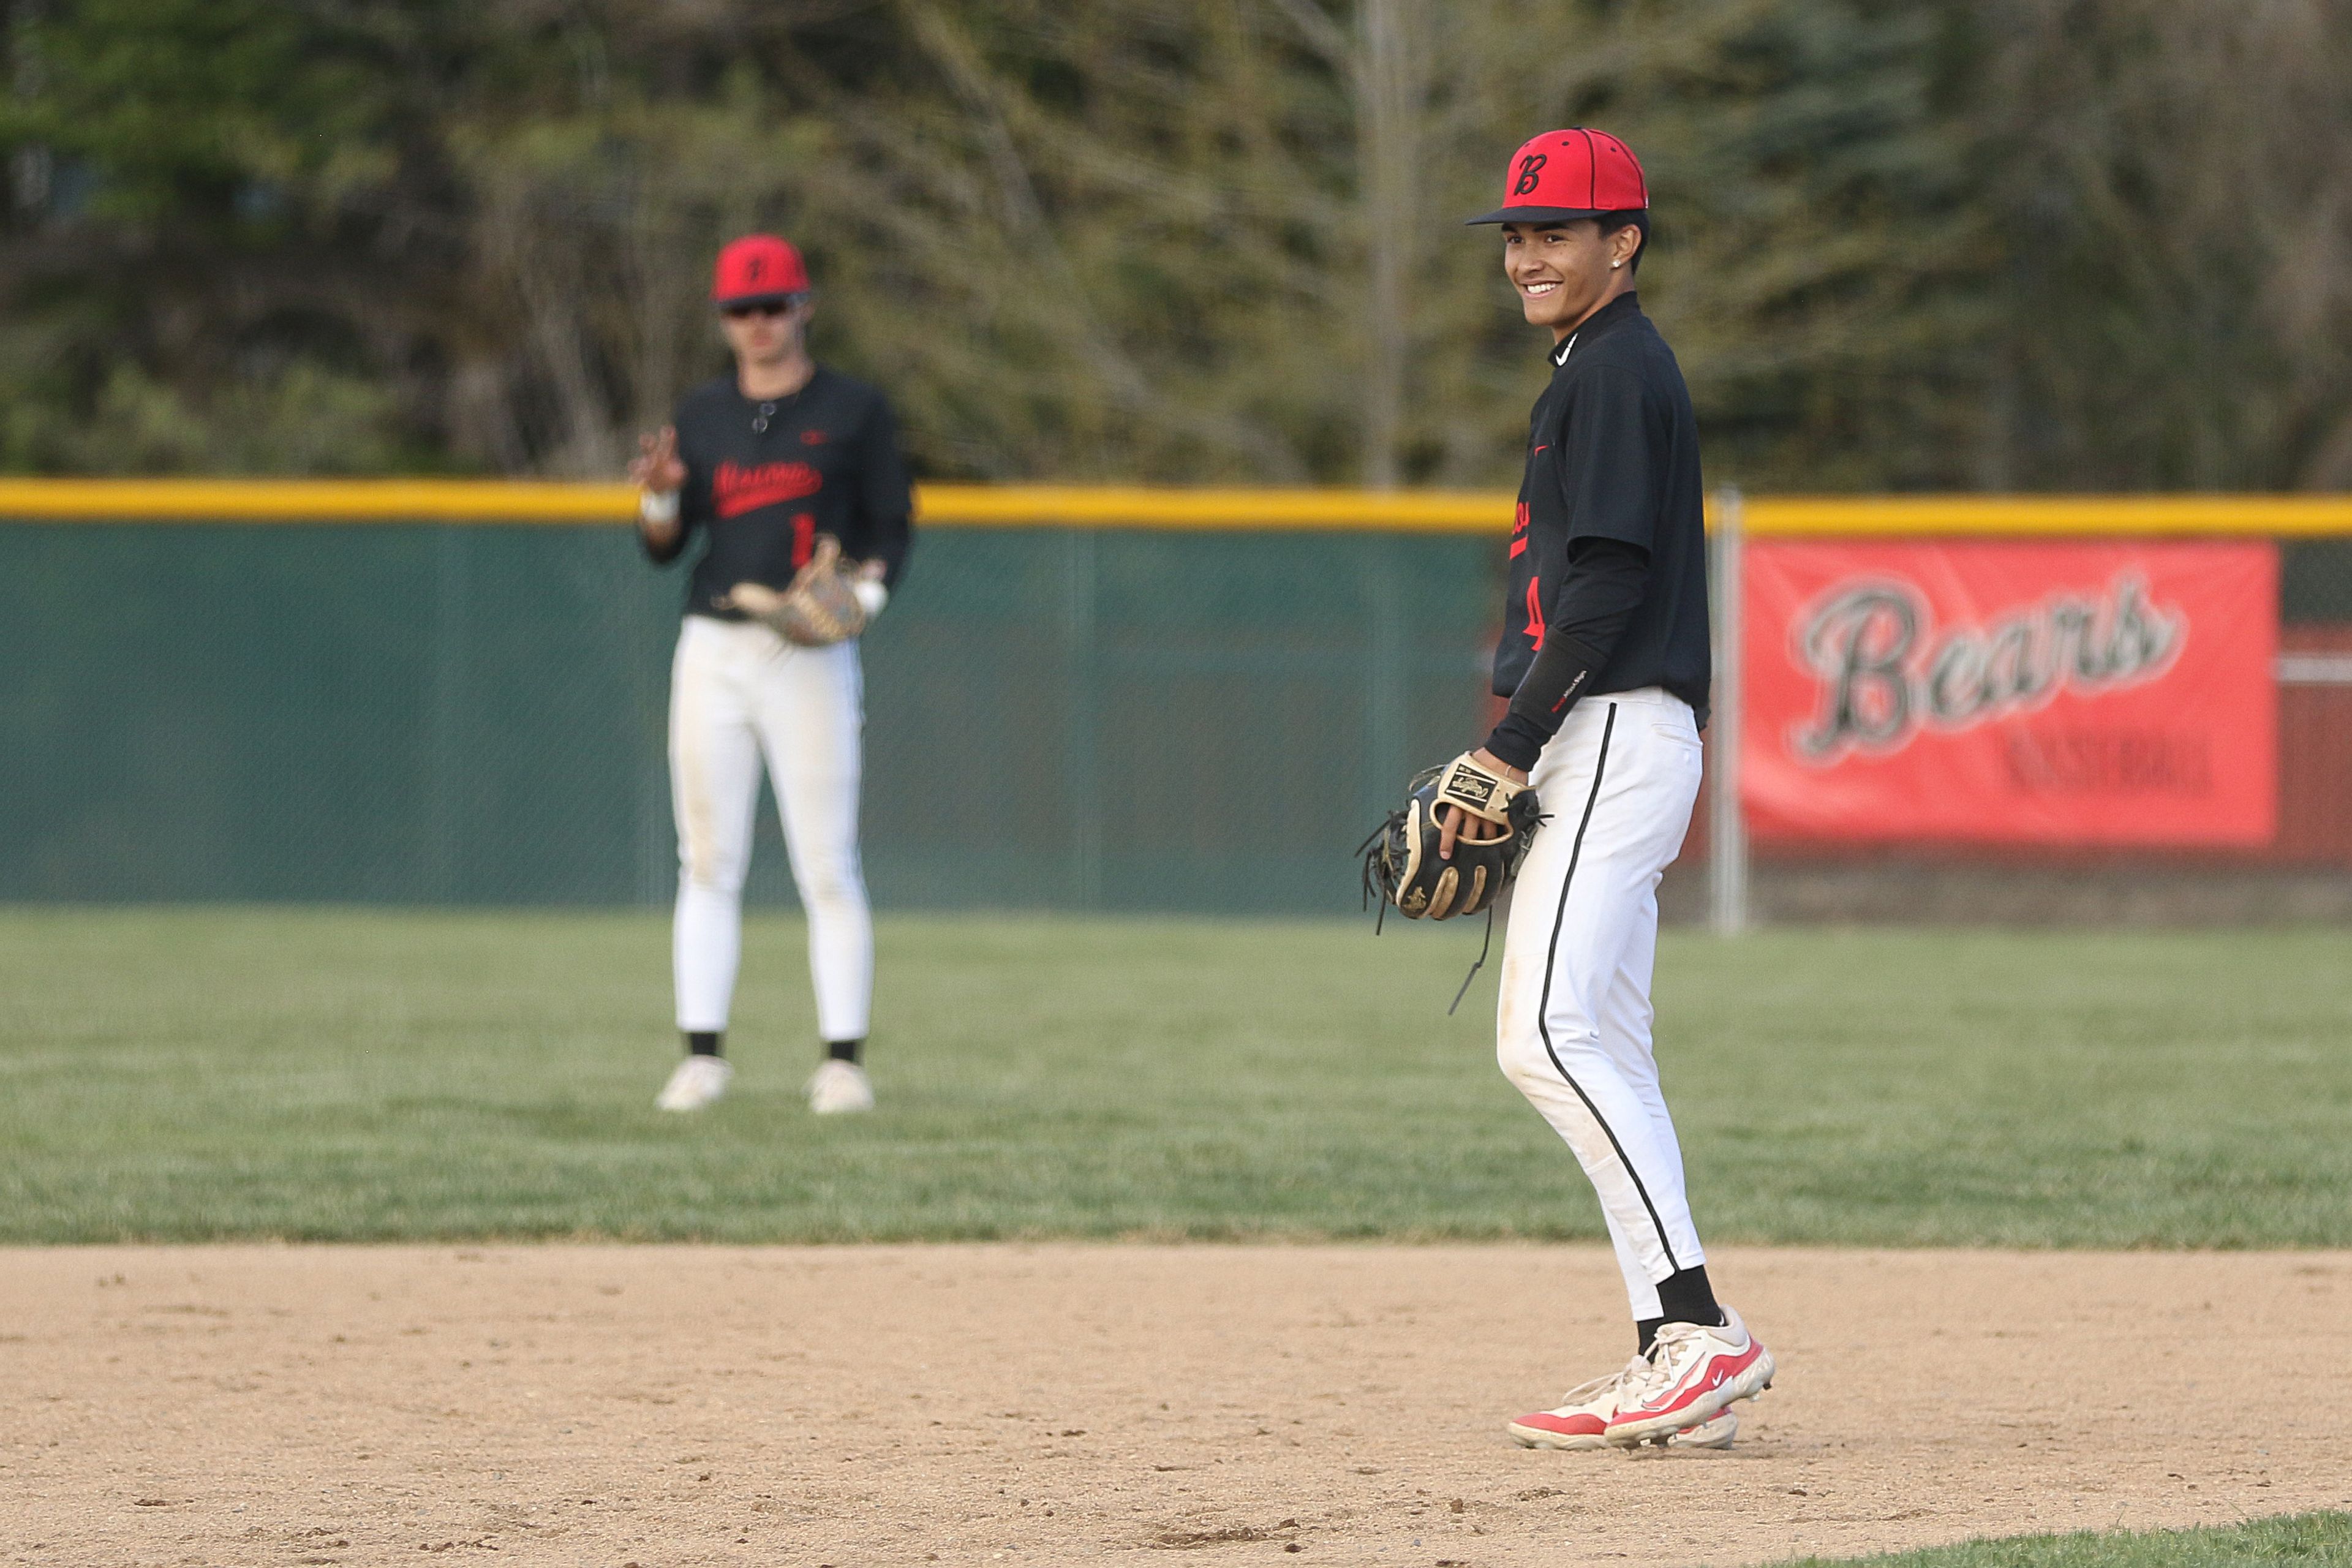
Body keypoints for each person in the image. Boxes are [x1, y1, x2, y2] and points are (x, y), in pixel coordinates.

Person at [1451, 130, 1774, 1449]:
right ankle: (1673, 1353)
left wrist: (1511, 743)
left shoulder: (1618, 369)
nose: (1528, 253)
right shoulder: (1592, 367)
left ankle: (1701, 1326)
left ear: (1623, 239)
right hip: (1616, 729)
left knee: (1540, 1031)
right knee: (1607, 1040)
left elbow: (1609, 581)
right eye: (1517, 233)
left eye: (1557, 231)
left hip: (1614, 728)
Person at [628, 233, 913, 1115]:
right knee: (707, 859)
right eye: (741, 310)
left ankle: (841, 1063)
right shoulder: (704, 415)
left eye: (773, 306)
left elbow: (890, 526)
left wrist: (864, 599)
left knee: (827, 863)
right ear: (725, 321)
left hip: (809, 655)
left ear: (804, 308)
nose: (758, 323)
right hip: (717, 646)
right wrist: (664, 493)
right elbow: (662, 550)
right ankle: (703, 1056)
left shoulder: (855, 411)